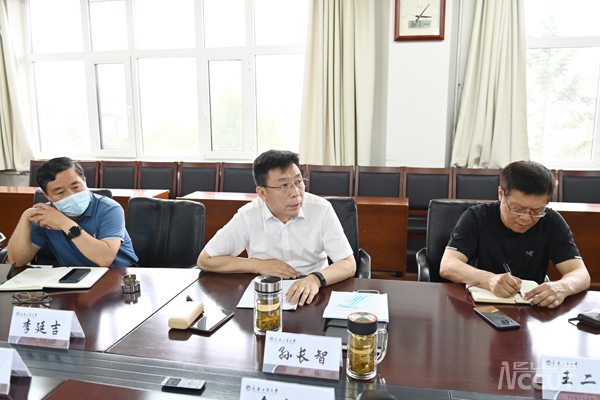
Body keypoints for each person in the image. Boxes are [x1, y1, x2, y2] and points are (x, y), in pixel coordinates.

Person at [197, 150, 356, 306]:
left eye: (298, 182)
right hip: (266, 297)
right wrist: (258, 265)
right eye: (284, 185)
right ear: (262, 193)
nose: (296, 193)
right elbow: (205, 260)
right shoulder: (248, 215)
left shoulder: (321, 209)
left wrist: (316, 279)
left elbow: (348, 264)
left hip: (314, 295)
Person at [440, 161, 590, 309]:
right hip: (478, 306)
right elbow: (448, 265)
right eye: (518, 209)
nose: (526, 218)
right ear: (501, 194)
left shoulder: (552, 222)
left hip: (530, 308)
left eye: (537, 211)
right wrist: (489, 279)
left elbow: (581, 273)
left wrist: (563, 286)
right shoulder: (476, 217)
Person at [7, 157, 138, 268]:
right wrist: (25, 217)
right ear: (48, 197)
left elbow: (104, 259)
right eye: (60, 192)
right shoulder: (46, 215)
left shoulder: (109, 209)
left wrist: (63, 223)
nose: (71, 195)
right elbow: (16, 261)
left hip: (120, 275)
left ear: (85, 182)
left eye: (76, 187)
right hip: (75, 277)